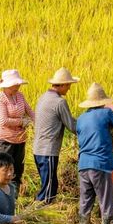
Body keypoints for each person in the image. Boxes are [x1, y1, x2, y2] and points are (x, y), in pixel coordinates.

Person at [76, 82, 113, 224]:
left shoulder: (81, 118)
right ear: (103, 101)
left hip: (83, 165)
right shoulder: (106, 113)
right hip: (99, 165)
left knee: (85, 201)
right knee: (106, 202)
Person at [33, 67, 80, 203]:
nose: (69, 89)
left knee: (49, 185)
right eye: (69, 85)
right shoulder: (59, 102)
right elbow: (72, 126)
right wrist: (90, 128)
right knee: (48, 191)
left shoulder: (43, 97)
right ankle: (38, 216)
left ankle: (43, 213)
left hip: (38, 149)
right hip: (48, 151)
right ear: (63, 85)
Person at [0, 69, 35, 194]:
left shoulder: (20, 96)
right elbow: (3, 120)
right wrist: (22, 122)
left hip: (20, 139)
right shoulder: (0, 99)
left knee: (17, 168)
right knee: (4, 169)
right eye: (14, 85)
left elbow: (30, 111)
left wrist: (37, 122)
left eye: (18, 84)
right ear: (6, 86)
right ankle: (1, 195)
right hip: (5, 140)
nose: (17, 87)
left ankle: (14, 196)